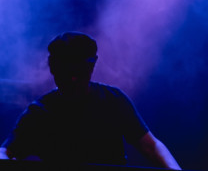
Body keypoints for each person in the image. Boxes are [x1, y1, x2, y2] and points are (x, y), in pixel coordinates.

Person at [0, 32, 182, 169]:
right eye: (67, 73)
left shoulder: (113, 100)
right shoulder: (39, 113)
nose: (73, 80)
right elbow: (5, 151)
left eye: (79, 73)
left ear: (91, 68)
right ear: (54, 69)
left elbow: (151, 146)